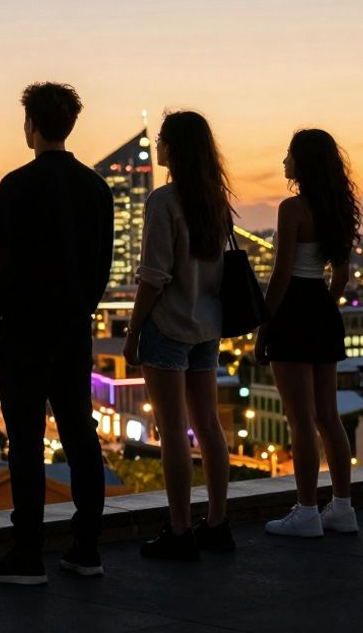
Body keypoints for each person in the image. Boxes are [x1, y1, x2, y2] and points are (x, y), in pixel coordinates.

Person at [0, 82, 114, 584]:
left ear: (31, 125)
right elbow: (101, 266)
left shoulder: (17, 185)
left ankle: (27, 553)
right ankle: (86, 548)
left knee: (26, 444)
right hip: (73, 331)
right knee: (81, 436)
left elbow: (5, 266)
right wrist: (82, 308)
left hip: (25, 333)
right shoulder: (96, 188)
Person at [124, 110, 233, 560]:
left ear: (174, 148)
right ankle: (218, 524)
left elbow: (153, 276)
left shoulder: (164, 201)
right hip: (208, 326)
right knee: (208, 427)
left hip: (168, 326)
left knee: (172, 433)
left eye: (163, 140)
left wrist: (132, 333)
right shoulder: (215, 200)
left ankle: (180, 530)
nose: (158, 147)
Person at [256, 129, 362, 537]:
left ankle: (305, 511)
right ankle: (342, 507)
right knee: (328, 417)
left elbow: (280, 275)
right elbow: (343, 275)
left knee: (299, 421)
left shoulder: (293, 208)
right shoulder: (339, 208)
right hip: (321, 307)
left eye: (288, 154)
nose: (284, 161)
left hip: (293, 311)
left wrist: (263, 329)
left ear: (302, 162)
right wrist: (325, 303)